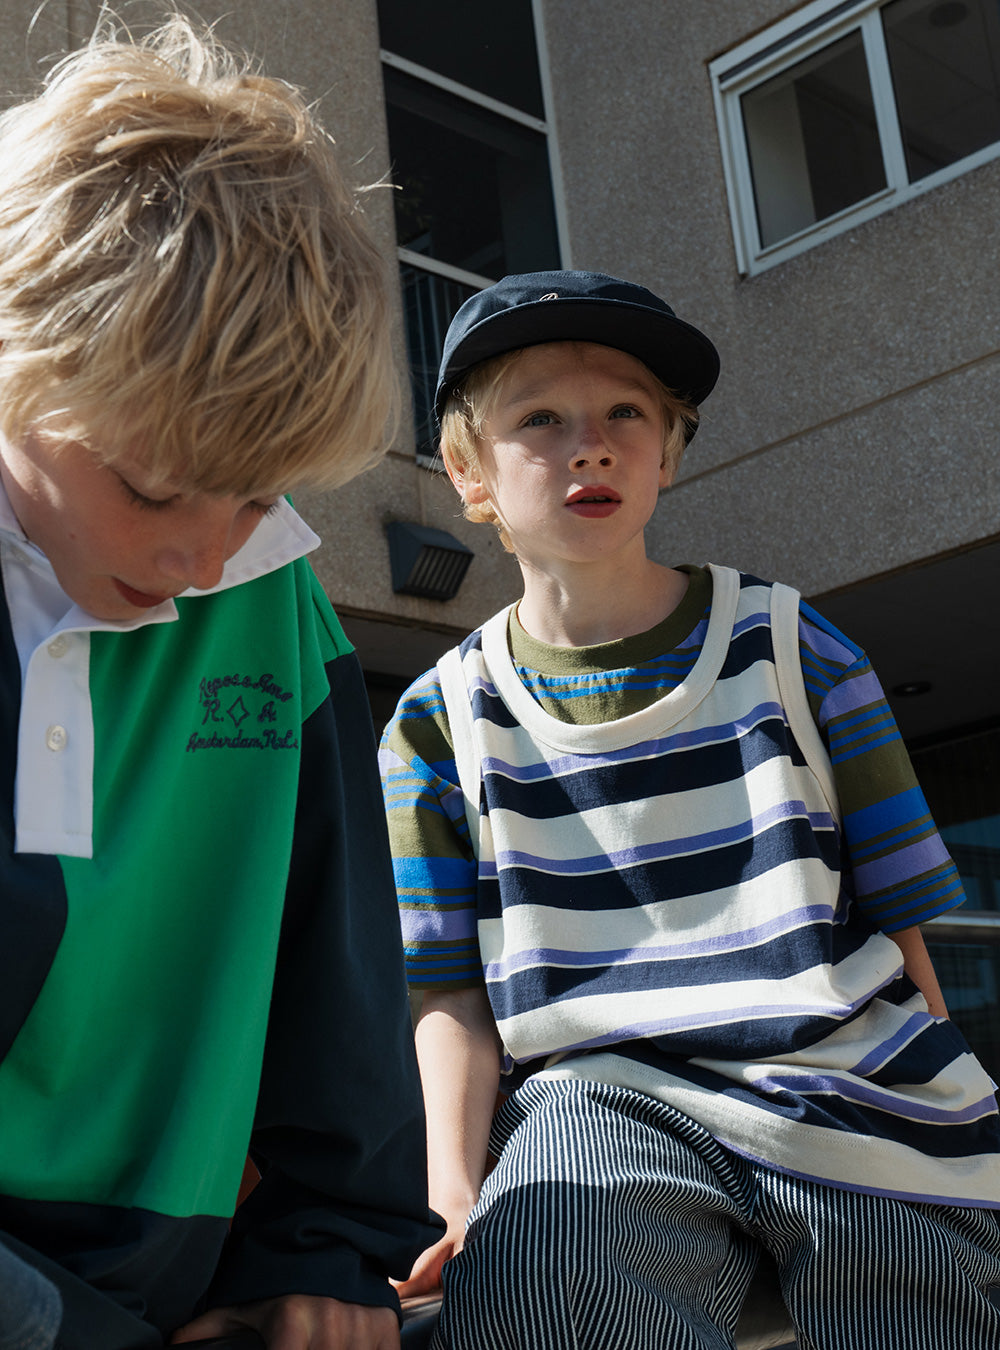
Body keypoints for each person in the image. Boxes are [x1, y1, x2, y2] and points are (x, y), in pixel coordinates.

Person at [379, 269, 1000, 1349]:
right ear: (468, 474)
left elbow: (904, 935)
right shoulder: (439, 722)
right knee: (543, 1286)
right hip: (600, 1092)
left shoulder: (793, 646)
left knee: (928, 1285)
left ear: (668, 451)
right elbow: (449, 999)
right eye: (540, 418)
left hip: (842, 1073)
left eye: (627, 411)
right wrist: (453, 1189)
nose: (592, 443)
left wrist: (943, 1096)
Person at [0, 13, 441, 1350]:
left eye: (258, 495)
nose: (203, 555)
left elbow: (338, 951)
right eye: (151, 485)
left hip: (164, 1257)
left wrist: (328, 1236)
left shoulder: (270, 601)